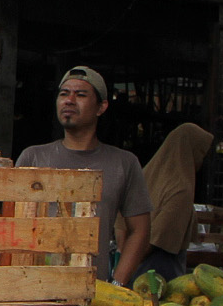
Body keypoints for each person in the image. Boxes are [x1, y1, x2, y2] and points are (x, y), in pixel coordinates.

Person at [15, 66, 151, 287]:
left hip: (92, 291)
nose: (69, 100)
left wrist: (116, 284)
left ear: (101, 107)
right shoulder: (33, 157)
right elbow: (10, 223)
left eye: (80, 95)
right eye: (63, 94)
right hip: (32, 289)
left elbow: (140, 229)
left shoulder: (123, 163)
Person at [137, 121, 216, 285]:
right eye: (201, 153)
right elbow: (158, 237)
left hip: (132, 263)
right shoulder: (180, 189)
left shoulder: (146, 174)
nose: (201, 161)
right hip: (157, 272)